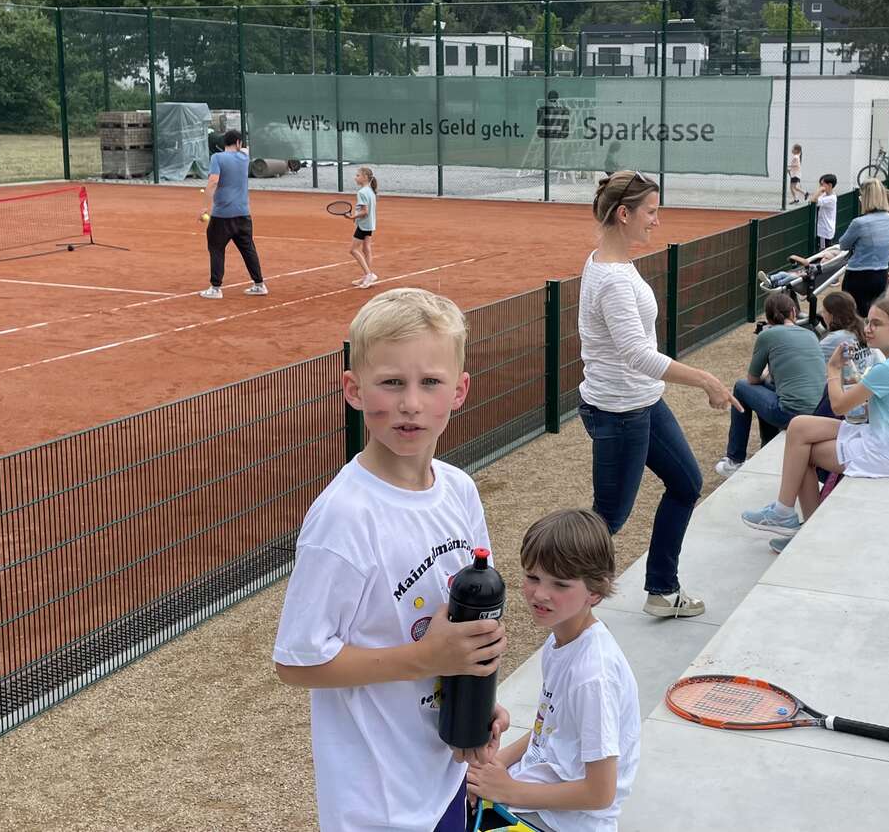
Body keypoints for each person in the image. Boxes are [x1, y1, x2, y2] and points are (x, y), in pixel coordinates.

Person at [273, 289, 510, 832]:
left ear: (459, 390)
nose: (411, 403)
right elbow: (297, 661)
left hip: (444, 776)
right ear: (354, 390)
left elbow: (472, 625)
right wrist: (427, 658)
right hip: (378, 805)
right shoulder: (344, 519)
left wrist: (478, 705)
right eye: (392, 383)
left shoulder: (460, 491)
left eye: (430, 382)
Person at [578, 170, 739, 619]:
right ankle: (558, 596)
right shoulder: (612, 278)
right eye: (650, 211)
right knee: (607, 520)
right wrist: (706, 380)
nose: (657, 220)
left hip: (643, 403)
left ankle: (662, 591)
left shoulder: (611, 262)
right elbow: (636, 354)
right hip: (619, 412)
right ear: (623, 214)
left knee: (686, 484)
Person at [466, 509, 640, 832]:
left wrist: (508, 789)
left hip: (561, 822)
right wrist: (498, 764)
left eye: (560, 584)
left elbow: (600, 792)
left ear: (595, 591)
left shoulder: (593, 675)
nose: (540, 594)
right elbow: (549, 728)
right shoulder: (560, 642)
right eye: (533, 577)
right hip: (534, 802)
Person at [739, 296, 889, 551]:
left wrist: (833, 369)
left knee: (805, 453)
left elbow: (839, 407)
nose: (868, 328)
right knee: (799, 426)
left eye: (877, 324)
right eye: (868, 321)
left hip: (888, 454)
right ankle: (784, 511)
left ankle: (803, 528)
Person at [715, 292, 827, 478]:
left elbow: (752, 379)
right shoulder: (811, 335)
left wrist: (766, 373)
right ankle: (765, 445)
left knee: (741, 387)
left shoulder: (767, 335)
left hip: (791, 414)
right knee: (765, 392)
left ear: (768, 318)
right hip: (817, 412)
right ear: (793, 312)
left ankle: (734, 459)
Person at [199, 129, 267, 299]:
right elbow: (245, 149)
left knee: (216, 248)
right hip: (243, 214)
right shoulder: (244, 157)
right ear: (238, 143)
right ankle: (259, 284)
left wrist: (204, 207)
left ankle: (215, 288)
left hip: (222, 215)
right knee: (248, 249)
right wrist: (240, 146)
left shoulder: (217, 158)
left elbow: (213, 181)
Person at [835, 180, 889, 316]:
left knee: (852, 314)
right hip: (881, 273)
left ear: (866, 198)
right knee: (874, 313)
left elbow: (843, 244)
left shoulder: (859, 223)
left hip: (858, 275)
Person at [350, 165, 379, 289]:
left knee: (353, 250)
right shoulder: (370, 191)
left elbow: (365, 211)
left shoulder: (361, 192)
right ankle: (367, 275)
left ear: (365, 177)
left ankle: (368, 274)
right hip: (370, 224)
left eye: (358, 175)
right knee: (366, 249)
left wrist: (353, 217)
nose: (355, 178)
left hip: (363, 225)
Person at [813, 173, 838, 252]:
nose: (820, 187)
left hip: (824, 230)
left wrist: (818, 191)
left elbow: (813, 200)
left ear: (829, 185)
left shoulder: (831, 198)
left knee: (823, 251)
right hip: (825, 229)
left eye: (822, 184)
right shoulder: (825, 195)